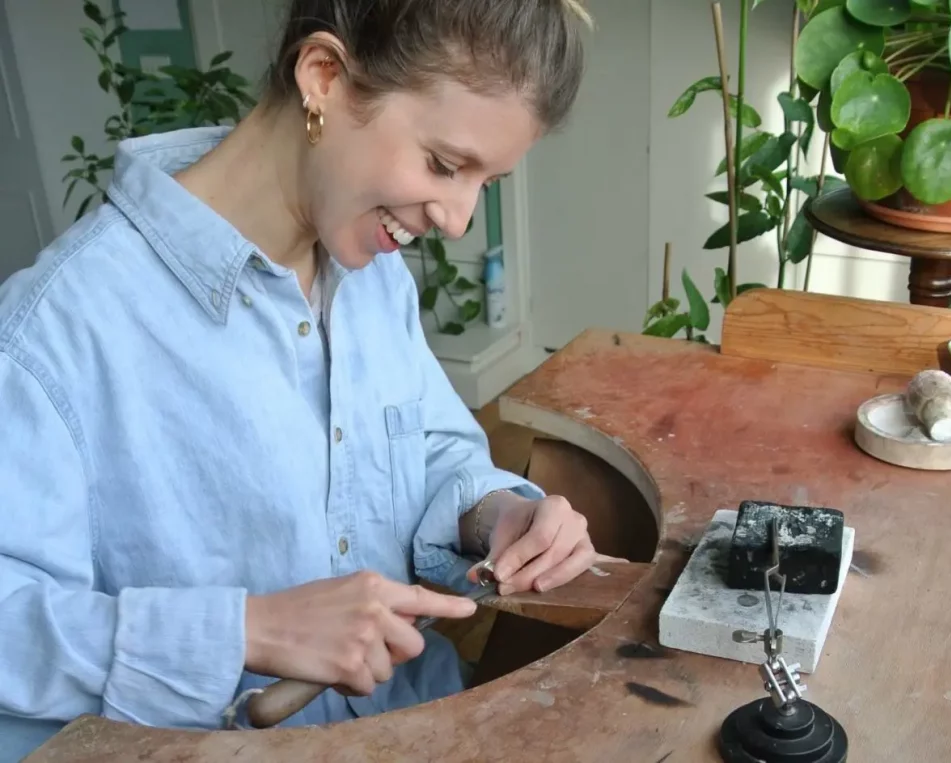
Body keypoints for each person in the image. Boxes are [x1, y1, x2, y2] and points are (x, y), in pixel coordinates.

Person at [0, 0, 597, 758]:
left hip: (430, 725)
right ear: (323, 77)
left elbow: (431, 446)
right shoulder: (56, 331)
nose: (456, 218)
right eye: (445, 165)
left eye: (487, 181)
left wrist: (496, 511)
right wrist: (247, 630)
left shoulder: (370, 271)